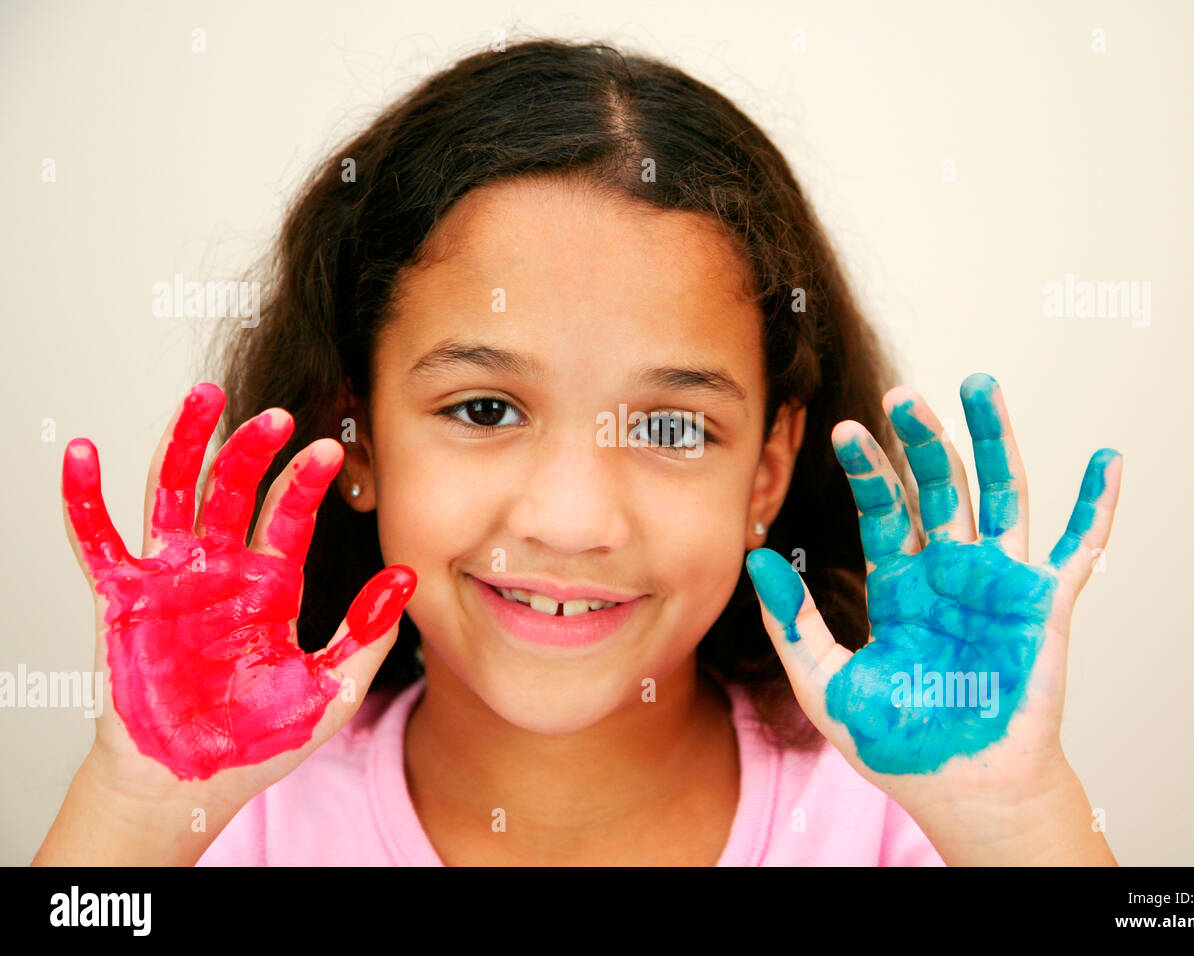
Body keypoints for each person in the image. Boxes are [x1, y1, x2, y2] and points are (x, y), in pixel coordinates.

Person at [35, 38, 1121, 866]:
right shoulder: (225, 817)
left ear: (769, 472)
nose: (570, 516)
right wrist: (133, 808)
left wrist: (1016, 818)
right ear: (353, 434)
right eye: (485, 409)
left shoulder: (910, 817)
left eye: (667, 427)